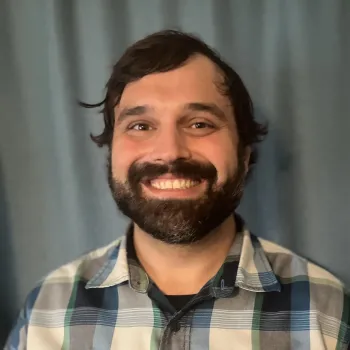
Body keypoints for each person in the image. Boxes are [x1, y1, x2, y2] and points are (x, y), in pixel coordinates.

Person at [5, 30, 350, 350]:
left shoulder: (327, 310)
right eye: (141, 125)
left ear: (244, 156)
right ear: (112, 154)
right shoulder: (48, 309)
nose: (169, 151)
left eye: (200, 124)